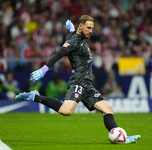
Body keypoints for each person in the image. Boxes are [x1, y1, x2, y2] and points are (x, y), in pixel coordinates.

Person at [15, 15, 140, 143]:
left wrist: (72, 31)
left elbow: (75, 38)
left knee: (107, 109)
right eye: (89, 28)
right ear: (81, 26)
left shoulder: (78, 37)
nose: (91, 31)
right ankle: (35, 97)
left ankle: (123, 138)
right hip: (78, 82)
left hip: (87, 85)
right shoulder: (74, 41)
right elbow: (59, 54)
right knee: (66, 111)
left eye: (92, 28)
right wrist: (44, 69)